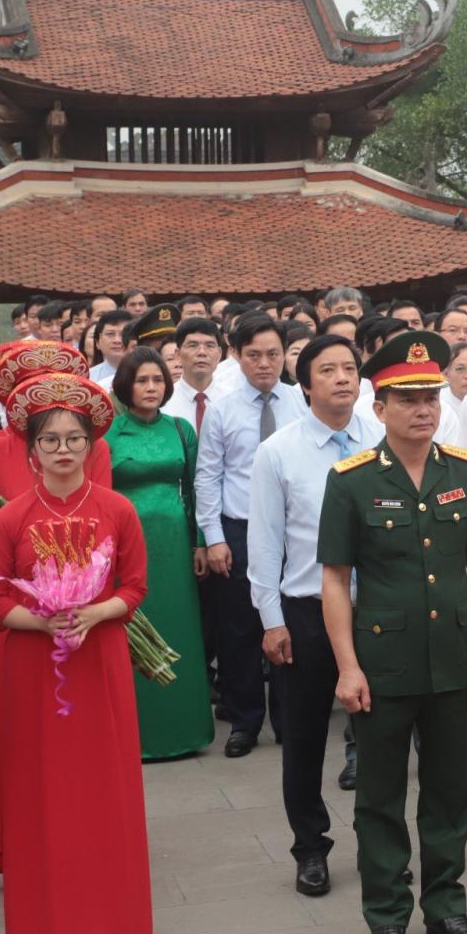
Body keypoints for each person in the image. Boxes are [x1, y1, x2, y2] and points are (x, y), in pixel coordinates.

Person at [319, 331, 467, 934]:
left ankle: (448, 907)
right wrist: (347, 666)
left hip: (455, 657)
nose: (423, 409)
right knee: (380, 797)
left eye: (430, 397)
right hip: (383, 663)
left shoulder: (464, 471)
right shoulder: (351, 482)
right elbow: (336, 580)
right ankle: (387, 915)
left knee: (451, 792)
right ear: (380, 406)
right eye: (407, 398)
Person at [0, 373, 152, 934]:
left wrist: (93, 612)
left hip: (99, 662)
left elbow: (134, 587)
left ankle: (115, 923)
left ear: (90, 445)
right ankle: (45, 929)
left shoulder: (117, 510)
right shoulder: (11, 518)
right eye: (49, 440)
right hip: (33, 669)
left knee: (104, 786)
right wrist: (43, 620)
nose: (61, 449)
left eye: (73, 438)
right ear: (31, 451)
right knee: (40, 790)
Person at [0, 342, 112, 842]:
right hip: (17, 607)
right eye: (34, 385)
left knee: (83, 731)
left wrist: (75, 582)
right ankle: (15, 839)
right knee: (17, 730)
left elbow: (102, 522)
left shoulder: (95, 448)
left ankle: (84, 827)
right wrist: (18, 536)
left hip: (84, 606)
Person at [246, 336, 382, 899]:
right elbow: (264, 541)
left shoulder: (382, 439)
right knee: (302, 739)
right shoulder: (279, 451)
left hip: (376, 609)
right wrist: (271, 619)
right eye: (328, 370)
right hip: (304, 612)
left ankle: (380, 845)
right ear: (305, 385)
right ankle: (311, 848)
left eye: (350, 368)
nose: (342, 379)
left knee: (380, 736)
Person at [196, 314, 306, 756]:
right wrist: (214, 536)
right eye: (254, 355)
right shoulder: (223, 408)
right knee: (240, 629)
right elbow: (208, 477)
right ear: (236, 356)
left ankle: (288, 718)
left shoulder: (302, 402)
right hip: (240, 529)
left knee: (290, 623)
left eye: (273, 354)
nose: (265, 364)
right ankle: (244, 721)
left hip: (294, 531)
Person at [106, 347, 212, 760]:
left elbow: (196, 490)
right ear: (125, 385)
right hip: (127, 545)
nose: (151, 388)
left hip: (174, 544)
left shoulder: (181, 429)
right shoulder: (108, 435)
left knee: (181, 628)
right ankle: (138, 734)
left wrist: (199, 541)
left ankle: (185, 729)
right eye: (142, 381)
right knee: (134, 629)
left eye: (157, 381)